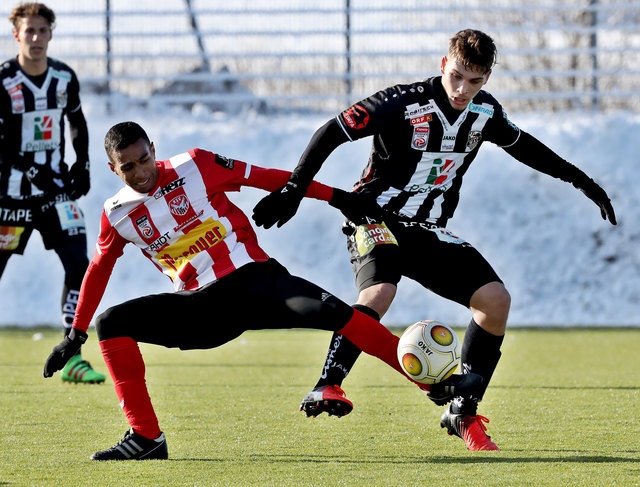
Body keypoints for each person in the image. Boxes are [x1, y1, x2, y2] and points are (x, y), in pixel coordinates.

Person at [251, 29, 616, 451]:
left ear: (487, 77)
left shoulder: (484, 112)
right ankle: (327, 385)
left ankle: (464, 411)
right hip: (373, 215)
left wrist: (582, 181)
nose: (463, 89)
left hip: (427, 229)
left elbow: (526, 147)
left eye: (475, 81)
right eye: (457, 75)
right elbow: (330, 131)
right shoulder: (402, 103)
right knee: (380, 292)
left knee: (495, 301)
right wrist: (295, 188)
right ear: (444, 64)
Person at [42, 121, 482, 461]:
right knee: (112, 323)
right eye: (129, 167)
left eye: (144, 159)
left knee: (344, 316)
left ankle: (437, 389)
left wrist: (336, 197)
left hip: (258, 281)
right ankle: (146, 437)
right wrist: (75, 334)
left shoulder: (195, 164)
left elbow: (266, 177)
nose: (141, 172)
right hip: (202, 309)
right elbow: (98, 269)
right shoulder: (116, 214)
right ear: (113, 169)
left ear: (153, 148)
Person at [0, 3, 104, 384]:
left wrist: (83, 166)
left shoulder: (63, 77)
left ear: (51, 33)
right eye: (29, 31)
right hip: (10, 198)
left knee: (80, 265)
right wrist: (31, 171)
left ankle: (72, 356)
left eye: (42, 31)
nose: (36, 38)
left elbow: (76, 122)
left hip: (57, 193)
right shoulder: (4, 80)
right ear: (16, 34)